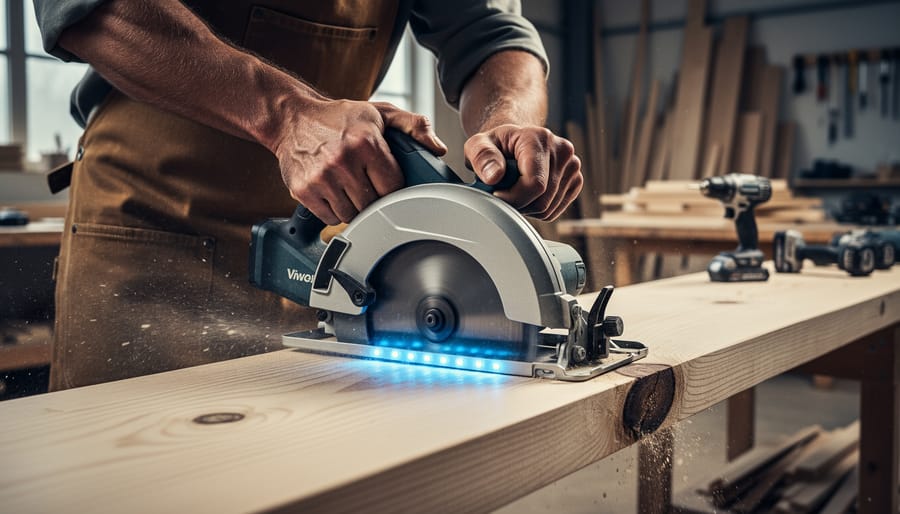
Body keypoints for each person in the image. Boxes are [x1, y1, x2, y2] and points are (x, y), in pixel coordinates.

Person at [35, 0, 583, 390]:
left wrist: (506, 124)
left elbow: (491, 34)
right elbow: (89, 10)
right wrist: (285, 113)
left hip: (324, 246)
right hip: (152, 227)